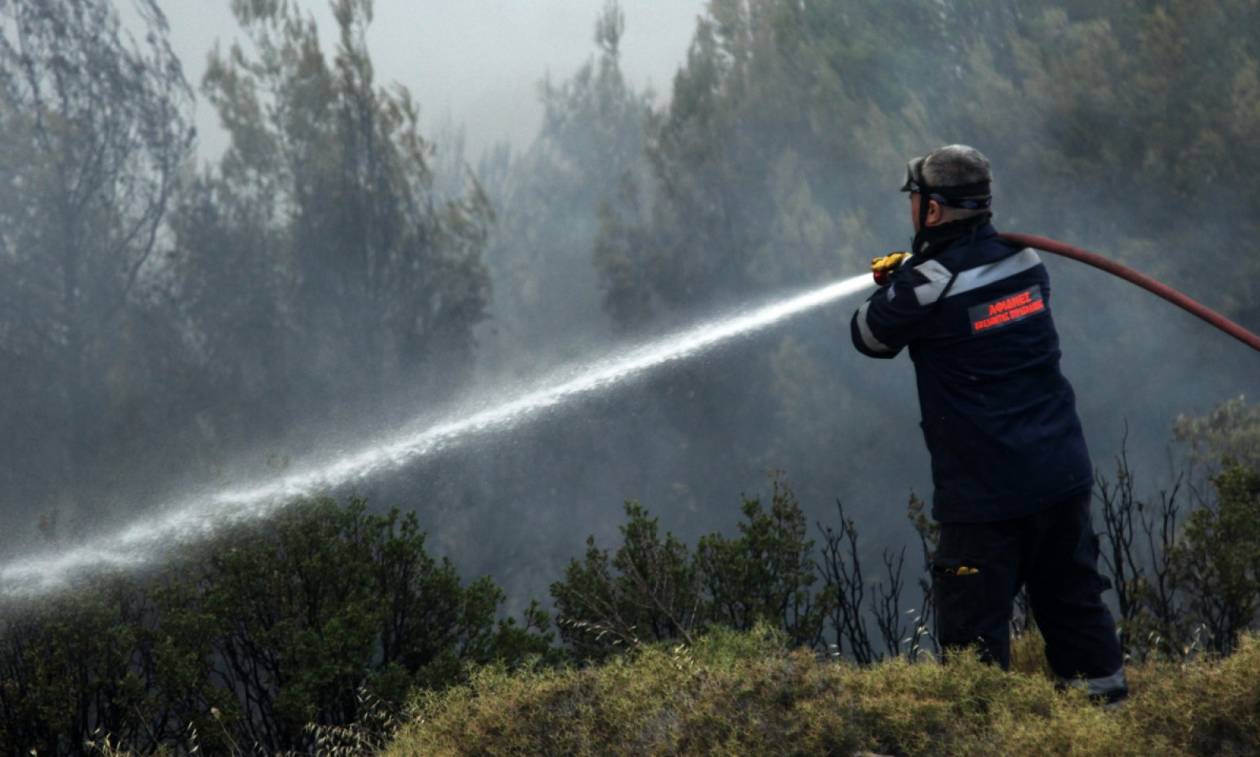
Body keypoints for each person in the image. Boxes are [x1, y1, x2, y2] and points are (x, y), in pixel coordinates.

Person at [849, 144, 1127, 703]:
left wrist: (903, 281)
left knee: (973, 646)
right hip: (1058, 475)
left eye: (916, 200)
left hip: (987, 494)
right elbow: (975, 299)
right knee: (1074, 606)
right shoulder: (1027, 262)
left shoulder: (926, 285)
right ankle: (1109, 721)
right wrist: (918, 273)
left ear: (932, 211)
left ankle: (981, 733)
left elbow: (869, 335)